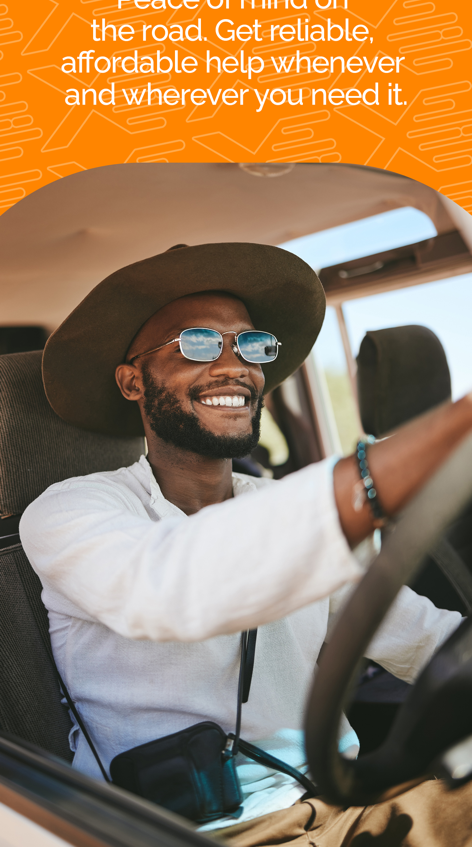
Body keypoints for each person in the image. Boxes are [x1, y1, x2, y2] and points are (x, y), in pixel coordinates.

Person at [20, 242, 472, 847]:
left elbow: (422, 637)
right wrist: (401, 460)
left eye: (253, 346)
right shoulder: (70, 510)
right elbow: (170, 588)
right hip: (203, 831)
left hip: (346, 801)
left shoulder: (276, 503)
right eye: (199, 344)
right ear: (132, 381)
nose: (236, 365)